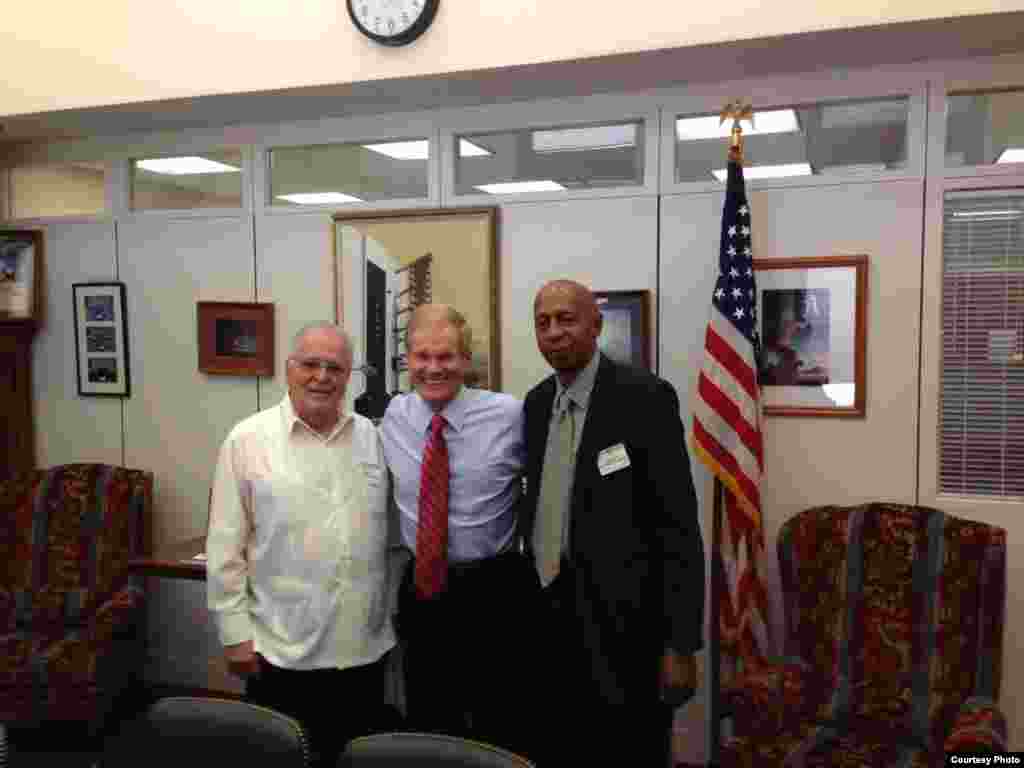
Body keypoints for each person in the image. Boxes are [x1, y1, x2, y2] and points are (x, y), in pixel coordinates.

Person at [519, 280, 705, 767]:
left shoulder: (644, 398)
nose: (555, 332)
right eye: (544, 323)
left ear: (596, 326)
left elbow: (678, 527)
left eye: (567, 319)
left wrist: (680, 645)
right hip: (549, 626)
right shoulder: (536, 406)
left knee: (629, 752)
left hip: (627, 636)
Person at [207, 322, 399, 768]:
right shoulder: (247, 440)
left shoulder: (371, 437)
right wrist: (235, 637)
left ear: (347, 375)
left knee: (355, 760)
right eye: (310, 364)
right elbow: (224, 549)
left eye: (334, 367)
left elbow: (387, 539)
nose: (322, 376)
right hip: (282, 655)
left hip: (362, 654)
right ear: (289, 369)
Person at [379, 304, 532, 755]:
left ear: (466, 360)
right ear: (408, 361)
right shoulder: (394, 416)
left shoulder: (510, 415)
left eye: (445, 356)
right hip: (423, 590)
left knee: (499, 722)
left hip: (494, 588)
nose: (433, 368)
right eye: (422, 357)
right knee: (428, 724)